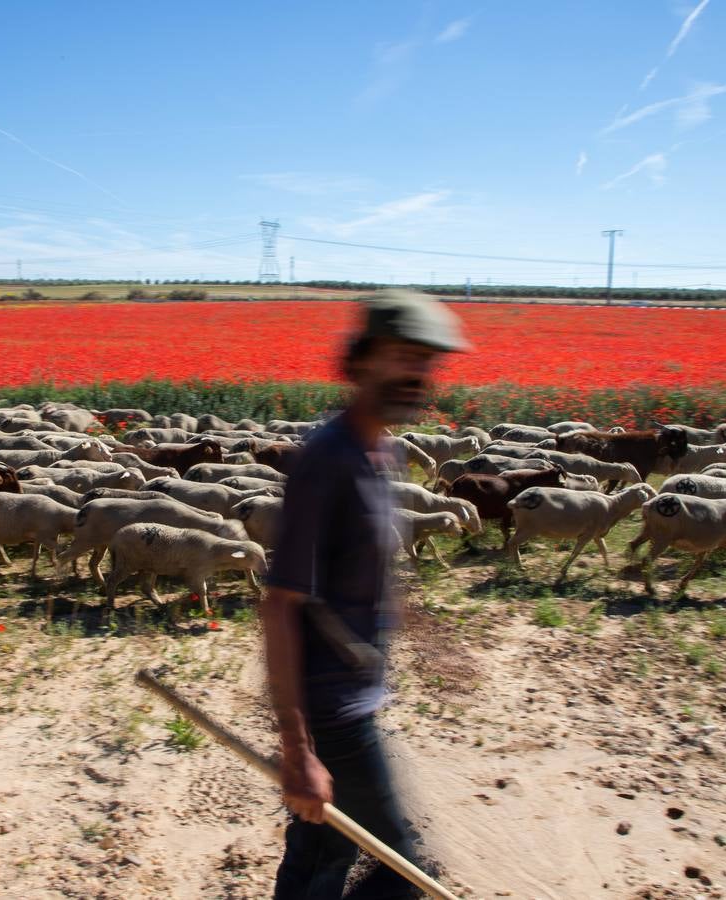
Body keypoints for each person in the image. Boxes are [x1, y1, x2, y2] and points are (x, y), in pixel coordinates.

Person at [262, 290, 470, 900]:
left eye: (428, 361)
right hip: (333, 714)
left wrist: (424, 631)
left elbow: (358, 573)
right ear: (362, 360)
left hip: (354, 695)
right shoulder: (327, 460)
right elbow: (280, 604)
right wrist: (299, 749)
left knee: (321, 856)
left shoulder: (384, 452)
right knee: (405, 874)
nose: (418, 373)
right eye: (404, 355)